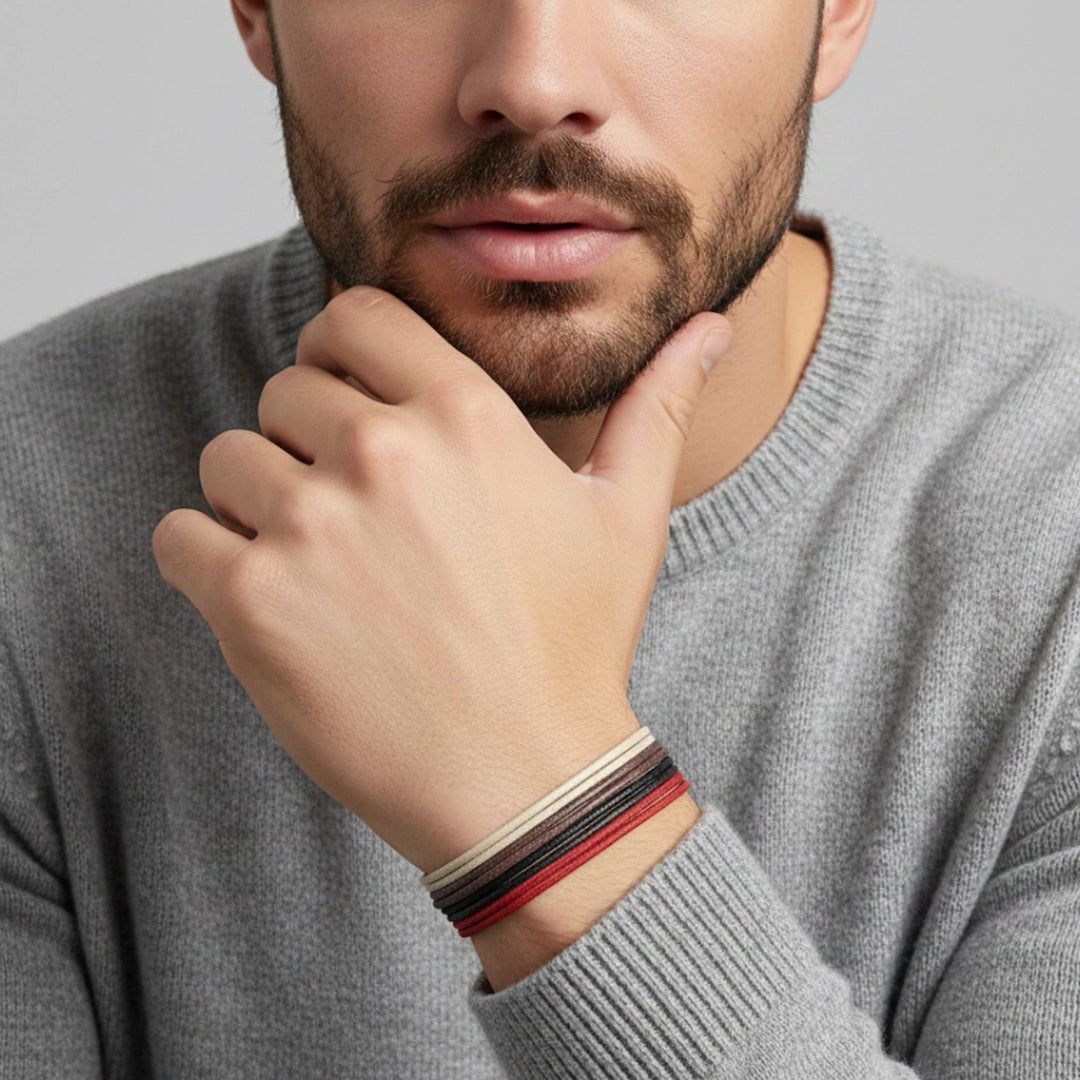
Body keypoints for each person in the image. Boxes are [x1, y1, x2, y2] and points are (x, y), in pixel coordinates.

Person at [1, 0, 1078, 1075]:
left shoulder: (1055, 546)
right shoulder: (25, 521)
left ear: (837, 14)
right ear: (254, 11)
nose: (533, 77)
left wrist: (546, 807)